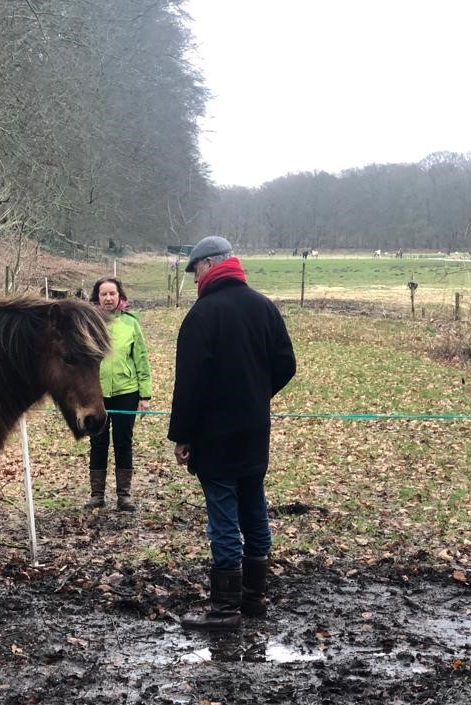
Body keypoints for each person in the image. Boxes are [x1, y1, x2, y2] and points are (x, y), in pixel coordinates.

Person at [168, 236, 296, 631]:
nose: (193, 279)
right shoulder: (264, 308)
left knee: (223, 518)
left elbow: (190, 383)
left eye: (195, 271)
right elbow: (286, 365)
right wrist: (256, 395)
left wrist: (183, 435)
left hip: (215, 436)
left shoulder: (203, 315)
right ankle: (253, 598)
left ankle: (225, 609)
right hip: (255, 431)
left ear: (209, 266)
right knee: (254, 508)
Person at [85, 277, 153, 512]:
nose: (108, 298)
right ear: (97, 298)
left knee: (123, 442)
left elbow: (141, 360)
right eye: (103, 294)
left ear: (119, 296)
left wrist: (145, 396)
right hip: (97, 394)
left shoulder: (131, 324)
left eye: (112, 293)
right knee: (98, 441)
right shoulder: (89, 323)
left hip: (127, 392)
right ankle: (97, 495)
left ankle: (124, 496)